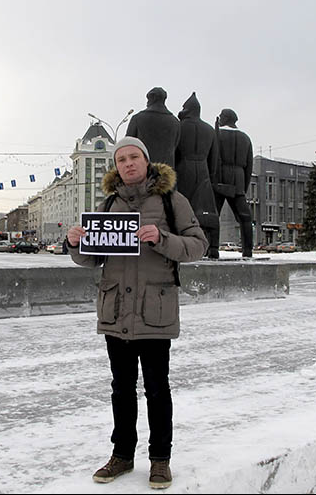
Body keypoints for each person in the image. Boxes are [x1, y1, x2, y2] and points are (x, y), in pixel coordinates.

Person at [66, 136, 209, 489]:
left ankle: (160, 460)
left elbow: (197, 245)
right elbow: (91, 258)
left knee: (158, 389)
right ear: (117, 167)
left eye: (134, 157)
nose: (128, 164)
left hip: (155, 310)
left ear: (146, 161)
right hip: (116, 311)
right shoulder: (108, 204)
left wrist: (161, 238)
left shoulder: (171, 200)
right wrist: (74, 244)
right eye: (122, 159)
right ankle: (122, 456)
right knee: (121, 388)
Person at [175, 92, 220, 258]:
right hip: (203, 171)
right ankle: (212, 247)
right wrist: (211, 178)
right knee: (205, 209)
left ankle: (185, 242)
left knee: (182, 208)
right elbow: (214, 158)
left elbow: (174, 152)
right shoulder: (209, 130)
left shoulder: (178, 126)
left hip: (183, 169)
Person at [210, 108, 254, 258]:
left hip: (220, 178)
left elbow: (211, 158)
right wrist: (243, 186)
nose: (220, 118)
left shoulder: (217, 135)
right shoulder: (245, 138)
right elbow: (249, 166)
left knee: (214, 214)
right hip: (239, 179)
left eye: (222, 116)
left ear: (227, 118)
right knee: (245, 217)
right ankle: (248, 250)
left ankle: (213, 249)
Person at [126, 87, 180, 168]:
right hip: (166, 173)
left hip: (142, 171)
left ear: (153, 98)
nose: (147, 103)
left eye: (148, 99)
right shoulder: (175, 122)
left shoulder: (137, 118)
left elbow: (127, 145)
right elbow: (175, 146)